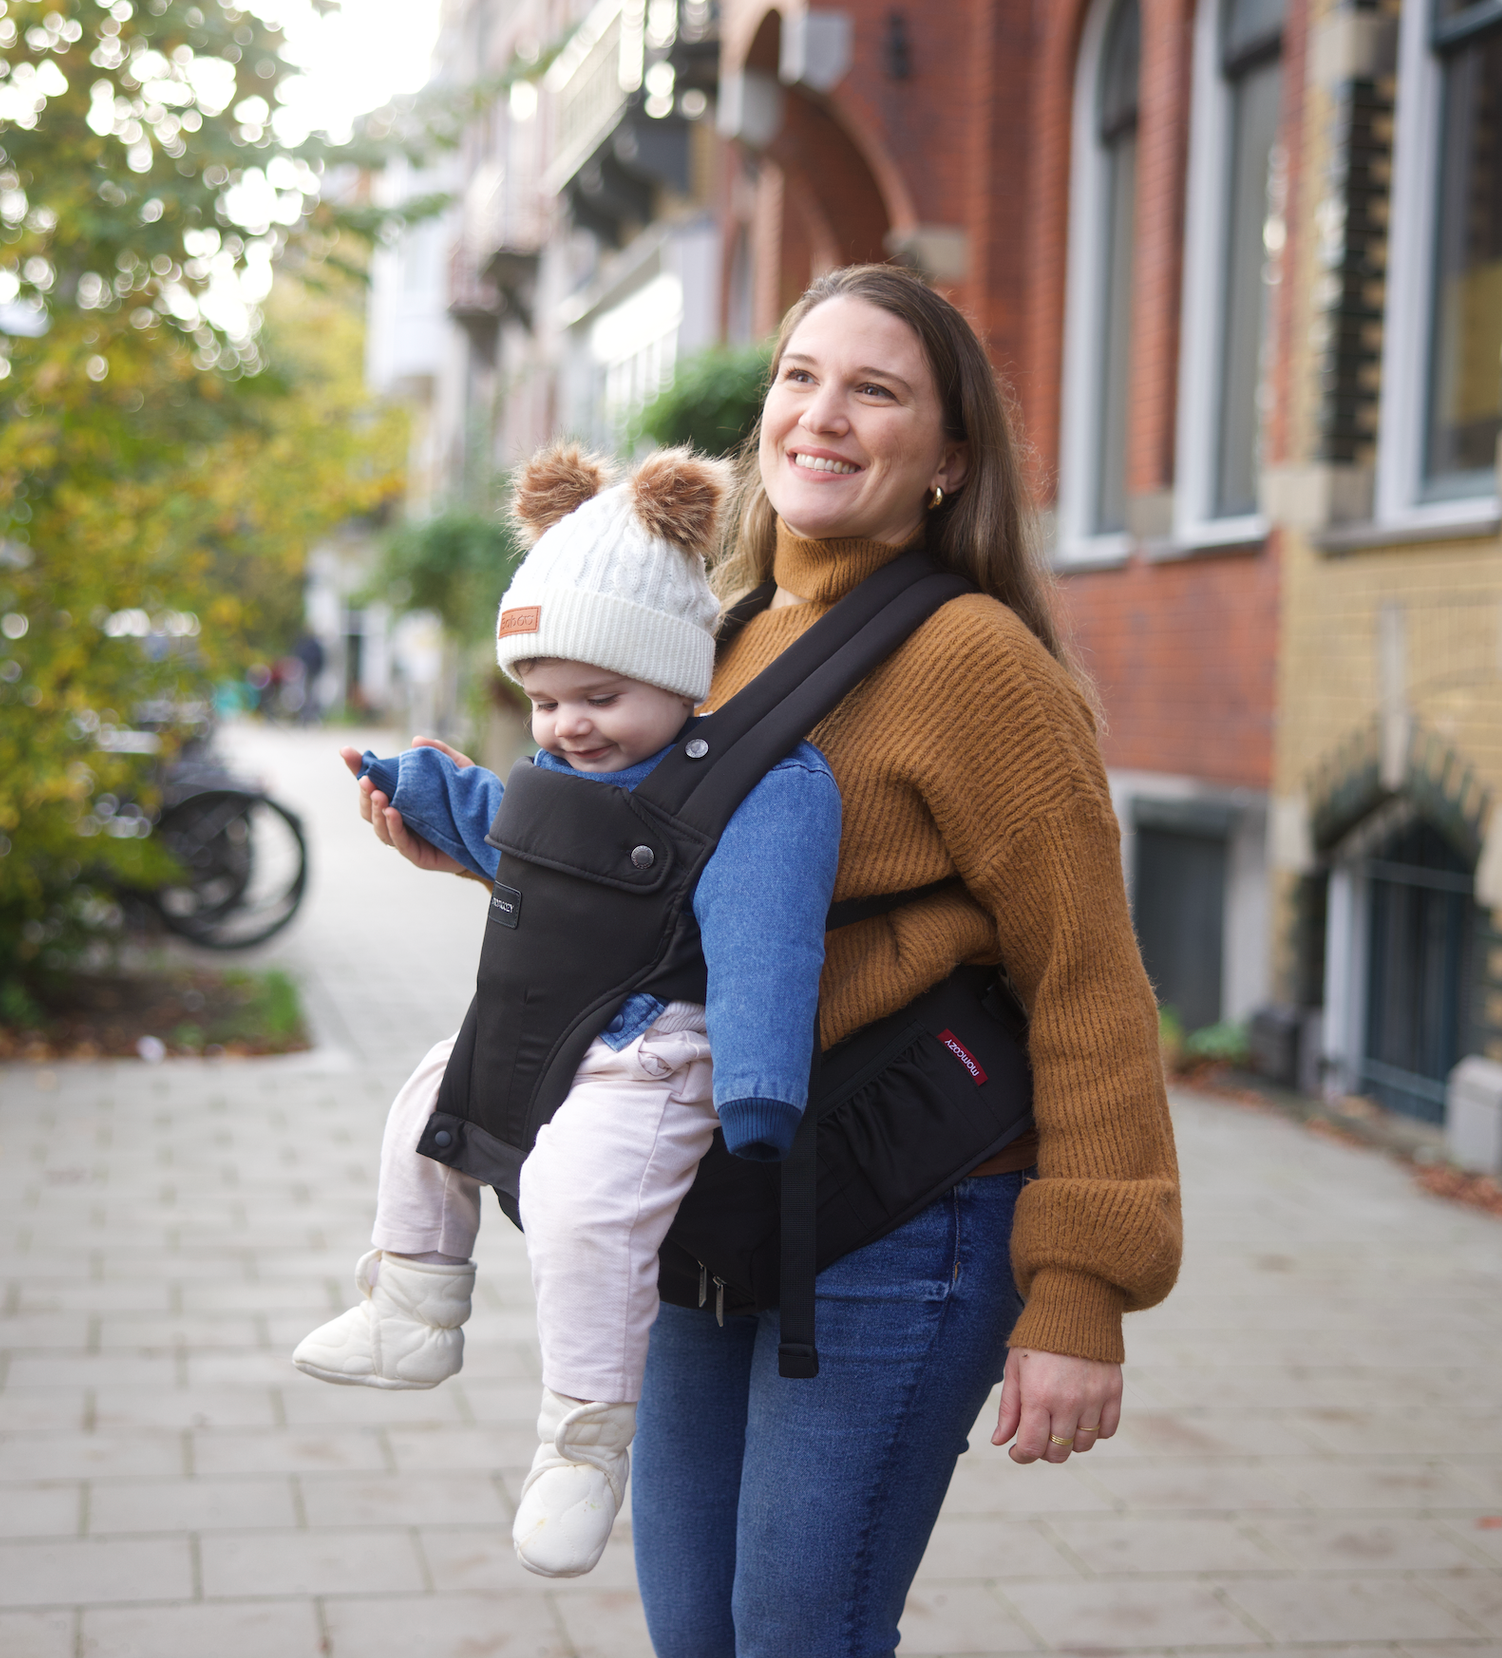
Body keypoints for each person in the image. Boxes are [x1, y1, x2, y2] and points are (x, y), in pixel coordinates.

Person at [358, 265, 1182, 1658]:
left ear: (947, 458)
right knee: (695, 1628)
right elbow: (656, 900)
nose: (822, 413)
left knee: (799, 1629)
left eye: (875, 390)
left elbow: (1087, 980)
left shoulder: (976, 663)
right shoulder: (709, 633)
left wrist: (1081, 1290)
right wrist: (470, 846)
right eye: (799, 377)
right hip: (715, 1199)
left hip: (905, 1213)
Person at [293, 443, 842, 1580]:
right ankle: (412, 1302)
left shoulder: (752, 783)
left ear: (681, 675)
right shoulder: (571, 764)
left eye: (600, 696)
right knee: (421, 1109)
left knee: (578, 1204)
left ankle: (579, 1448)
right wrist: (423, 792)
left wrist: (759, 1086)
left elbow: (765, 940)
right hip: (548, 1020)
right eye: (543, 700)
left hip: (654, 1049)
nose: (568, 725)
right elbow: (519, 832)